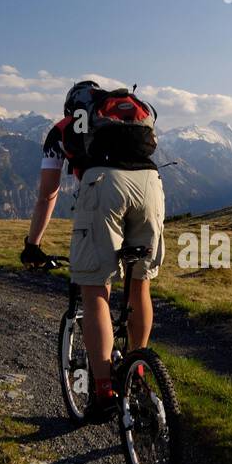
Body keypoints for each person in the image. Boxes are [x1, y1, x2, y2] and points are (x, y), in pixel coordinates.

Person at [22, 80, 165, 423]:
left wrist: (33, 245)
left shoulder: (62, 130)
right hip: (151, 185)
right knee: (139, 284)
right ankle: (137, 371)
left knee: (95, 290)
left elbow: (47, 194)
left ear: (72, 108)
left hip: (105, 186)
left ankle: (103, 391)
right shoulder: (129, 119)